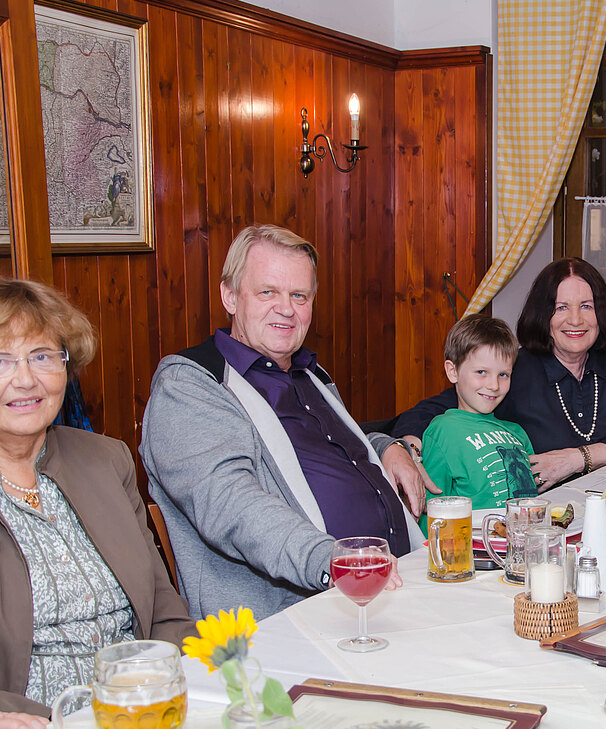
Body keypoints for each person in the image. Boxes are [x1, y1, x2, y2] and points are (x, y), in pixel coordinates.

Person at [0, 276, 192, 714]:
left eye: (41, 356)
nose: (26, 379)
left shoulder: (106, 459)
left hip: (145, 703)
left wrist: (174, 688)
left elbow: (163, 610)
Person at [140, 225, 419, 621]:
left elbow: (332, 449)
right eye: (267, 292)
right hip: (296, 616)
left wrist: (386, 446)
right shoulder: (190, 385)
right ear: (230, 296)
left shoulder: (310, 375)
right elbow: (229, 503)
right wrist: (334, 561)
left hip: (393, 588)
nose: (286, 309)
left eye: (299, 296)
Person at [394, 258, 606, 489]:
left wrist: (577, 459)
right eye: (561, 307)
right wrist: (407, 450)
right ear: (543, 314)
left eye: (586, 306)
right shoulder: (514, 370)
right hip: (545, 512)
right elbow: (435, 410)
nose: (576, 320)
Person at [421, 315, 537, 510]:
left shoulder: (517, 433)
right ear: (453, 371)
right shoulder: (443, 430)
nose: (494, 385)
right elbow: (431, 511)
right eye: (481, 372)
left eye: (503, 374)